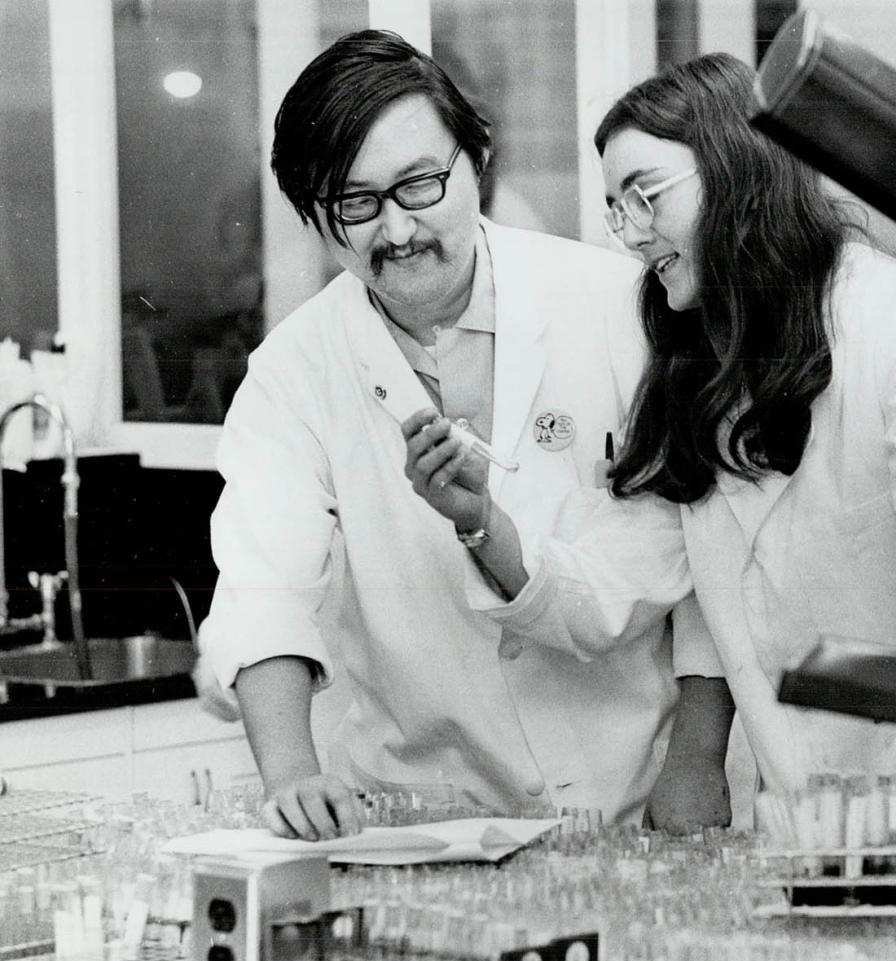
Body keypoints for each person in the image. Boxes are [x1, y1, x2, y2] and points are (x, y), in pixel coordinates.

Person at [403, 53, 896, 826]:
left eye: (646, 195)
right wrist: (482, 521)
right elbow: (624, 581)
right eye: (614, 207)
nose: (630, 232)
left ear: (740, 172)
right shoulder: (701, 373)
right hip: (818, 827)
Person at [199, 30, 714, 840]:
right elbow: (265, 585)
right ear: (316, 219)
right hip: (418, 812)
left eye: (421, 186)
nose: (397, 232)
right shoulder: (293, 373)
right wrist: (293, 776)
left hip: (631, 794)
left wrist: (699, 758)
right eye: (355, 205)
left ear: (478, 159)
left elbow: (705, 553)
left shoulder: (616, 306)